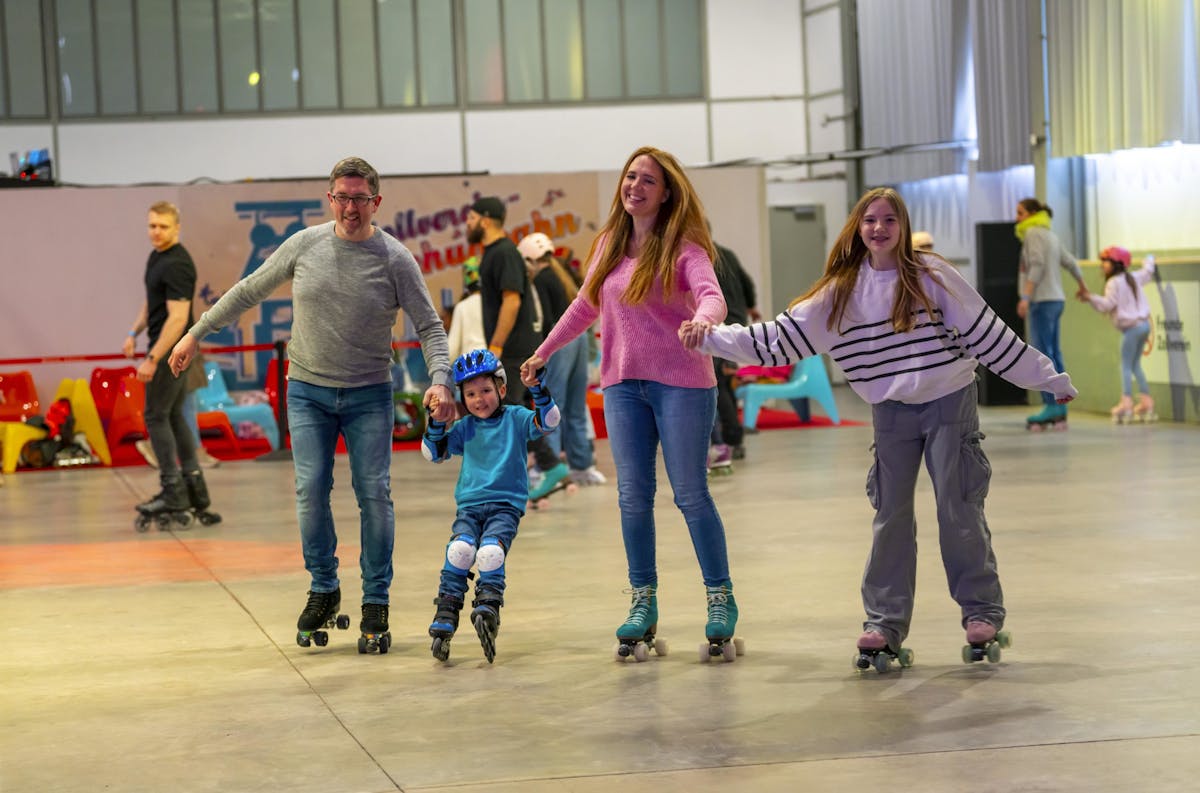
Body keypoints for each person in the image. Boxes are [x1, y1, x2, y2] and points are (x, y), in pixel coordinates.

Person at [680, 187, 1078, 664]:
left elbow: (989, 334)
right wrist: (712, 339)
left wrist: (1046, 378)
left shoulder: (932, 277)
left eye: (889, 220)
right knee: (890, 516)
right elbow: (779, 340)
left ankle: (981, 613)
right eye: (870, 220)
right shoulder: (843, 291)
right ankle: (884, 622)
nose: (879, 229)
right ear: (858, 227)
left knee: (958, 508)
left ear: (903, 228)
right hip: (889, 411)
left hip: (949, 399)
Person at [168, 156, 456, 653]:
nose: (350, 208)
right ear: (330, 199)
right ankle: (324, 587)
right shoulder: (304, 245)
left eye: (359, 199)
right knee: (309, 491)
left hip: (369, 393)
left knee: (374, 496)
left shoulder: (394, 258)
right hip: (307, 391)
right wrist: (196, 332)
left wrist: (442, 381)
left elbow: (429, 325)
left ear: (376, 202)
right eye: (341, 198)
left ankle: (375, 600)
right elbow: (249, 290)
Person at [521, 146, 741, 660]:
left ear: (666, 194)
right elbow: (585, 305)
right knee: (632, 498)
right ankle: (643, 603)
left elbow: (712, 295)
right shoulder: (608, 245)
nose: (634, 186)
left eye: (647, 180)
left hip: (683, 382)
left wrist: (705, 321)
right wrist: (544, 350)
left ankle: (720, 598)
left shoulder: (685, 246)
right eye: (630, 176)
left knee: (690, 493)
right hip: (623, 386)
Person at [423, 349, 560, 663]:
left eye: (486, 391)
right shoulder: (465, 426)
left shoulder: (514, 418)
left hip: (504, 507)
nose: (478, 399)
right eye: (470, 394)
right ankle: (447, 609)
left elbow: (549, 422)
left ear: (501, 389)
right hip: (469, 507)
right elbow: (433, 453)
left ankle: (488, 605)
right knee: (459, 550)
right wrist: (435, 422)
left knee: (490, 552)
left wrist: (537, 389)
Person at [467, 197, 569, 501]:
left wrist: (496, 346)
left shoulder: (504, 253)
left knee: (505, 413)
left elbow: (512, 299)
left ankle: (536, 471)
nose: (467, 224)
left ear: (485, 219)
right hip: (512, 348)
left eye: (471, 218)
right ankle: (547, 467)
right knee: (512, 412)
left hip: (513, 349)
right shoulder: (493, 254)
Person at [123, 201, 217, 530]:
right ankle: (195, 492)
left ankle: (172, 492)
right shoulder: (157, 257)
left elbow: (177, 319)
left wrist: (152, 358)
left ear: (177, 228)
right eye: (152, 226)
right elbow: (152, 301)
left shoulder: (178, 263)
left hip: (171, 352)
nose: (156, 232)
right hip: (167, 349)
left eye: (163, 226)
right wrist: (133, 332)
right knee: (175, 416)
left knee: (155, 415)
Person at [517, 231, 606, 486]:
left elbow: (545, 320)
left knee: (551, 407)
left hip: (561, 340)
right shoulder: (560, 274)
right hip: (577, 340)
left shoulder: (541, 279)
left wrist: (541, 352)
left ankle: (551, 466)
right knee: (576, 408)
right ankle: (582, 466)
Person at [1015, 197, 1087, 429]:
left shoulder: (1033, 233)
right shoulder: (1051, 234)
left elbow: (1036, 264)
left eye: (1020, 213)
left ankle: (1052, 404)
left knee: (1043, 355)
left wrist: (1026, 297)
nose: (1017, 218)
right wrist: (1082, 286)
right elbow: (1070, 262)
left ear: (1032, 214)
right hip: (1056, 300)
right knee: (1054, 352)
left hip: (1042, 300)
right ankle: (1060, 404)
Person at [1079, 248, 1157, 422]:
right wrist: (1150, 258)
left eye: (1106, 262)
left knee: (1125, 366)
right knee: (1135, 364)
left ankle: (1127, 402)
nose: (1102, 266)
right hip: (1144, 326)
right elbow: (1147, 271)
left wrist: (1090, 297)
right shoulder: (1133, 278)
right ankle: (1146, 401)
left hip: (1131, 329)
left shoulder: (1113, 283)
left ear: (1117, 264)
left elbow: (1107, 305)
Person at [708, 233, 761, 470]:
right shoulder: (727, 254)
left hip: (718, 325)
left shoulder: (701, 256)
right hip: (737, 323)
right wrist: (750, 306)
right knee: (725, 382)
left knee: (718, 385)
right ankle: (733, 439)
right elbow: (747, 282)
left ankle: (729, 440)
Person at [447, 257, 485, 361]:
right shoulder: (496, 304)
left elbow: (452, 349)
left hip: (470, 366)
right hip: (494, 362)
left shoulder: (462, 307)